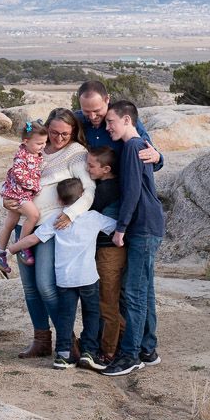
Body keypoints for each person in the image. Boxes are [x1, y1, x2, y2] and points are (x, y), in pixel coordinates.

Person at [7, 108, 95, 359]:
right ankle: (41, 340)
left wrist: (71, 213)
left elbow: (88, 190)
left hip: (50, 227)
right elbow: (14, 180)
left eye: (65, 133)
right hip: (24, 224)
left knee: (46, 286)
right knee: (30, 288)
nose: (58, 138)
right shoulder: (33, 148)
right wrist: (8, 202)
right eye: (54, 132)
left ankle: (67, 341)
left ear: (73, 132)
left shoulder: (77, 154)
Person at [7, 176, 116, 370]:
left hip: (65, 280)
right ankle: (89, 353)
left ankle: (63, 355)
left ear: (59, 201)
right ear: (82, 196)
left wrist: (10, 250)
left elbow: (32, 240)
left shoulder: (55, 221)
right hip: (88, 277)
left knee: (66, 317)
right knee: (92, 313)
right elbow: (115, 228)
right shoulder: (94, 217)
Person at [101, 100, 165, 377]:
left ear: (127, 120)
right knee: (145, 289)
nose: (107, 127)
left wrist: (121, 228)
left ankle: (130, 356)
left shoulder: (131, 147)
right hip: (150, 224)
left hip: (141, 226)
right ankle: (148, 349)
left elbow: (132, 192)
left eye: (110, 122)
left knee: (134, 292)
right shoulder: (141, 147)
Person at [0, 121, 47, 275]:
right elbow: (19, 176)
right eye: (39, 143)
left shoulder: (34, 153)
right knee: (33, 215)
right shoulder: (22, 156)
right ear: (25, 141)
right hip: (18, 192)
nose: (43, 146)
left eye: (45, 142)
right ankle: (23, 246)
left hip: (18, 192)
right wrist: (35, 186)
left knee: (11, 222)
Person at [84, 145, 125, 366]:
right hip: (109, 250)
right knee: (110, 300)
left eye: (91, 165)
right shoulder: (110, 184)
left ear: (106, 168)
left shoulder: (106, 189)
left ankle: (109, 351)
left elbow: (86, 212)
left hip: (109, 251)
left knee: (107, 302)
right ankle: (124, 342)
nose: (87, 169)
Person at [74, 79, 164, 170]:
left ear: (107, 99)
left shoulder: (123, 119)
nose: (92, 116)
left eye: (97, 111)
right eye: (86, 111)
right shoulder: (76, 120)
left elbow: (150, 158)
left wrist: (157, 158)